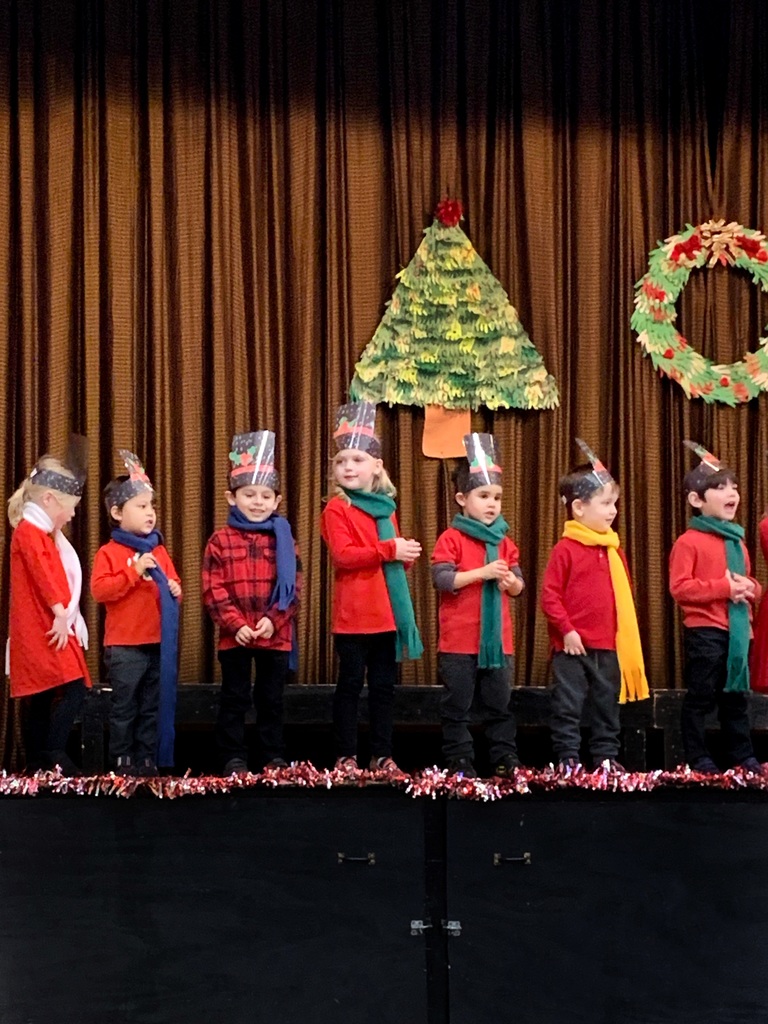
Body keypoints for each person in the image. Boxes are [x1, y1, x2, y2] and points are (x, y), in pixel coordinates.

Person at [320, 401, 422, 773]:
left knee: (383, 689)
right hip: (353, 619)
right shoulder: (337, 509)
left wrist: (403, 555)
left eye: (357, 460)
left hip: (386, 617)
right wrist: (390, 550)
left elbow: (387, 558)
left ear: (376, 466)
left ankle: (382, 755)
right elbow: (345, 556)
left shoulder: (385, 508)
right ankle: (346, 755)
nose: (348, 467)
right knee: (349, 687)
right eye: (341, 461)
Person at [541, 440, 648, 772]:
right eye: (605, 503)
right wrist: (567, 631)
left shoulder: (614, 551)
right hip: (572, 646)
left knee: (607, 705)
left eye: (614, 503)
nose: (613, 511)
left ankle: (605, 758)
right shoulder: (565, 550)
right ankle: (568, 759)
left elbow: (622, 598)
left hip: (608, 645)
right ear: (578, 508)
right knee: (568, 705)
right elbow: (550, 596)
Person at [202, 430, 301, 775]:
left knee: (271, 700)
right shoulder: (220, 540)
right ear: (232, 497)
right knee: (235, 697)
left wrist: (274, 619)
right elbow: (213, 589)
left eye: (265, 496)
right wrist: (236, 624)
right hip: (236, 638)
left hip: (276, 636)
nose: (257, 502)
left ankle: (272, 756)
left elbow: (294, 589)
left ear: (276, 500)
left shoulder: (284, 540)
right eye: (248, 495)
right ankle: (233, 756)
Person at [431, 432, 523, 779]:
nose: (492, 504)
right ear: (461, 498)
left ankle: (504, 757)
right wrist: (481, 573)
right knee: (457, 705)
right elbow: (442, 579)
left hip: (498, 642)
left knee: (500, 705)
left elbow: (518, 586)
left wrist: (510, 582)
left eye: (496, 497)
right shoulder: (451, 538)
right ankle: (459, 758)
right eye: (483, 496)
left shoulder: (505, 541)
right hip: (459, 643)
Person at [670, 440, 764, 775]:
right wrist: (724, 588)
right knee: (701, 697)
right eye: (721, 487)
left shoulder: (737, 540)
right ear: (697, 500)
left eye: (734, 487)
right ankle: (698, 757)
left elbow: (750, 582)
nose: (731, 493)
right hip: (705, 632)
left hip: (738, 632)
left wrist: (750, 589)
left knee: (736, 699)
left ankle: (742, 756)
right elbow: (680, 588)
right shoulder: (688, 542)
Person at [91, 451, 181, 776]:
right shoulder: (109, 552)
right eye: (141, 506)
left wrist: (175, 588)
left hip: (156, 644)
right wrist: (134, 571)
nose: (150, 513)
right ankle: (122, 761)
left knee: (150, 707)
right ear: (117, 512)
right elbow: (100, 591)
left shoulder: (159, 550)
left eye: (151, 506)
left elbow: (173, 582)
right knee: (125, 707)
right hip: (125, 647)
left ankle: (146, 759)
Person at [6, 440, 91, 774]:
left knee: (42, 695)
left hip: (46, 624)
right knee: (73, 689)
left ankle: (38, 761)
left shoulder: (38, 533)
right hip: (45, 626)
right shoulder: (30, 533)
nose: (72, 515)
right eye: (69, 507)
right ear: (49, 499)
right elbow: (43, 572)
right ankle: (53, 750)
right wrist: (59, 612)